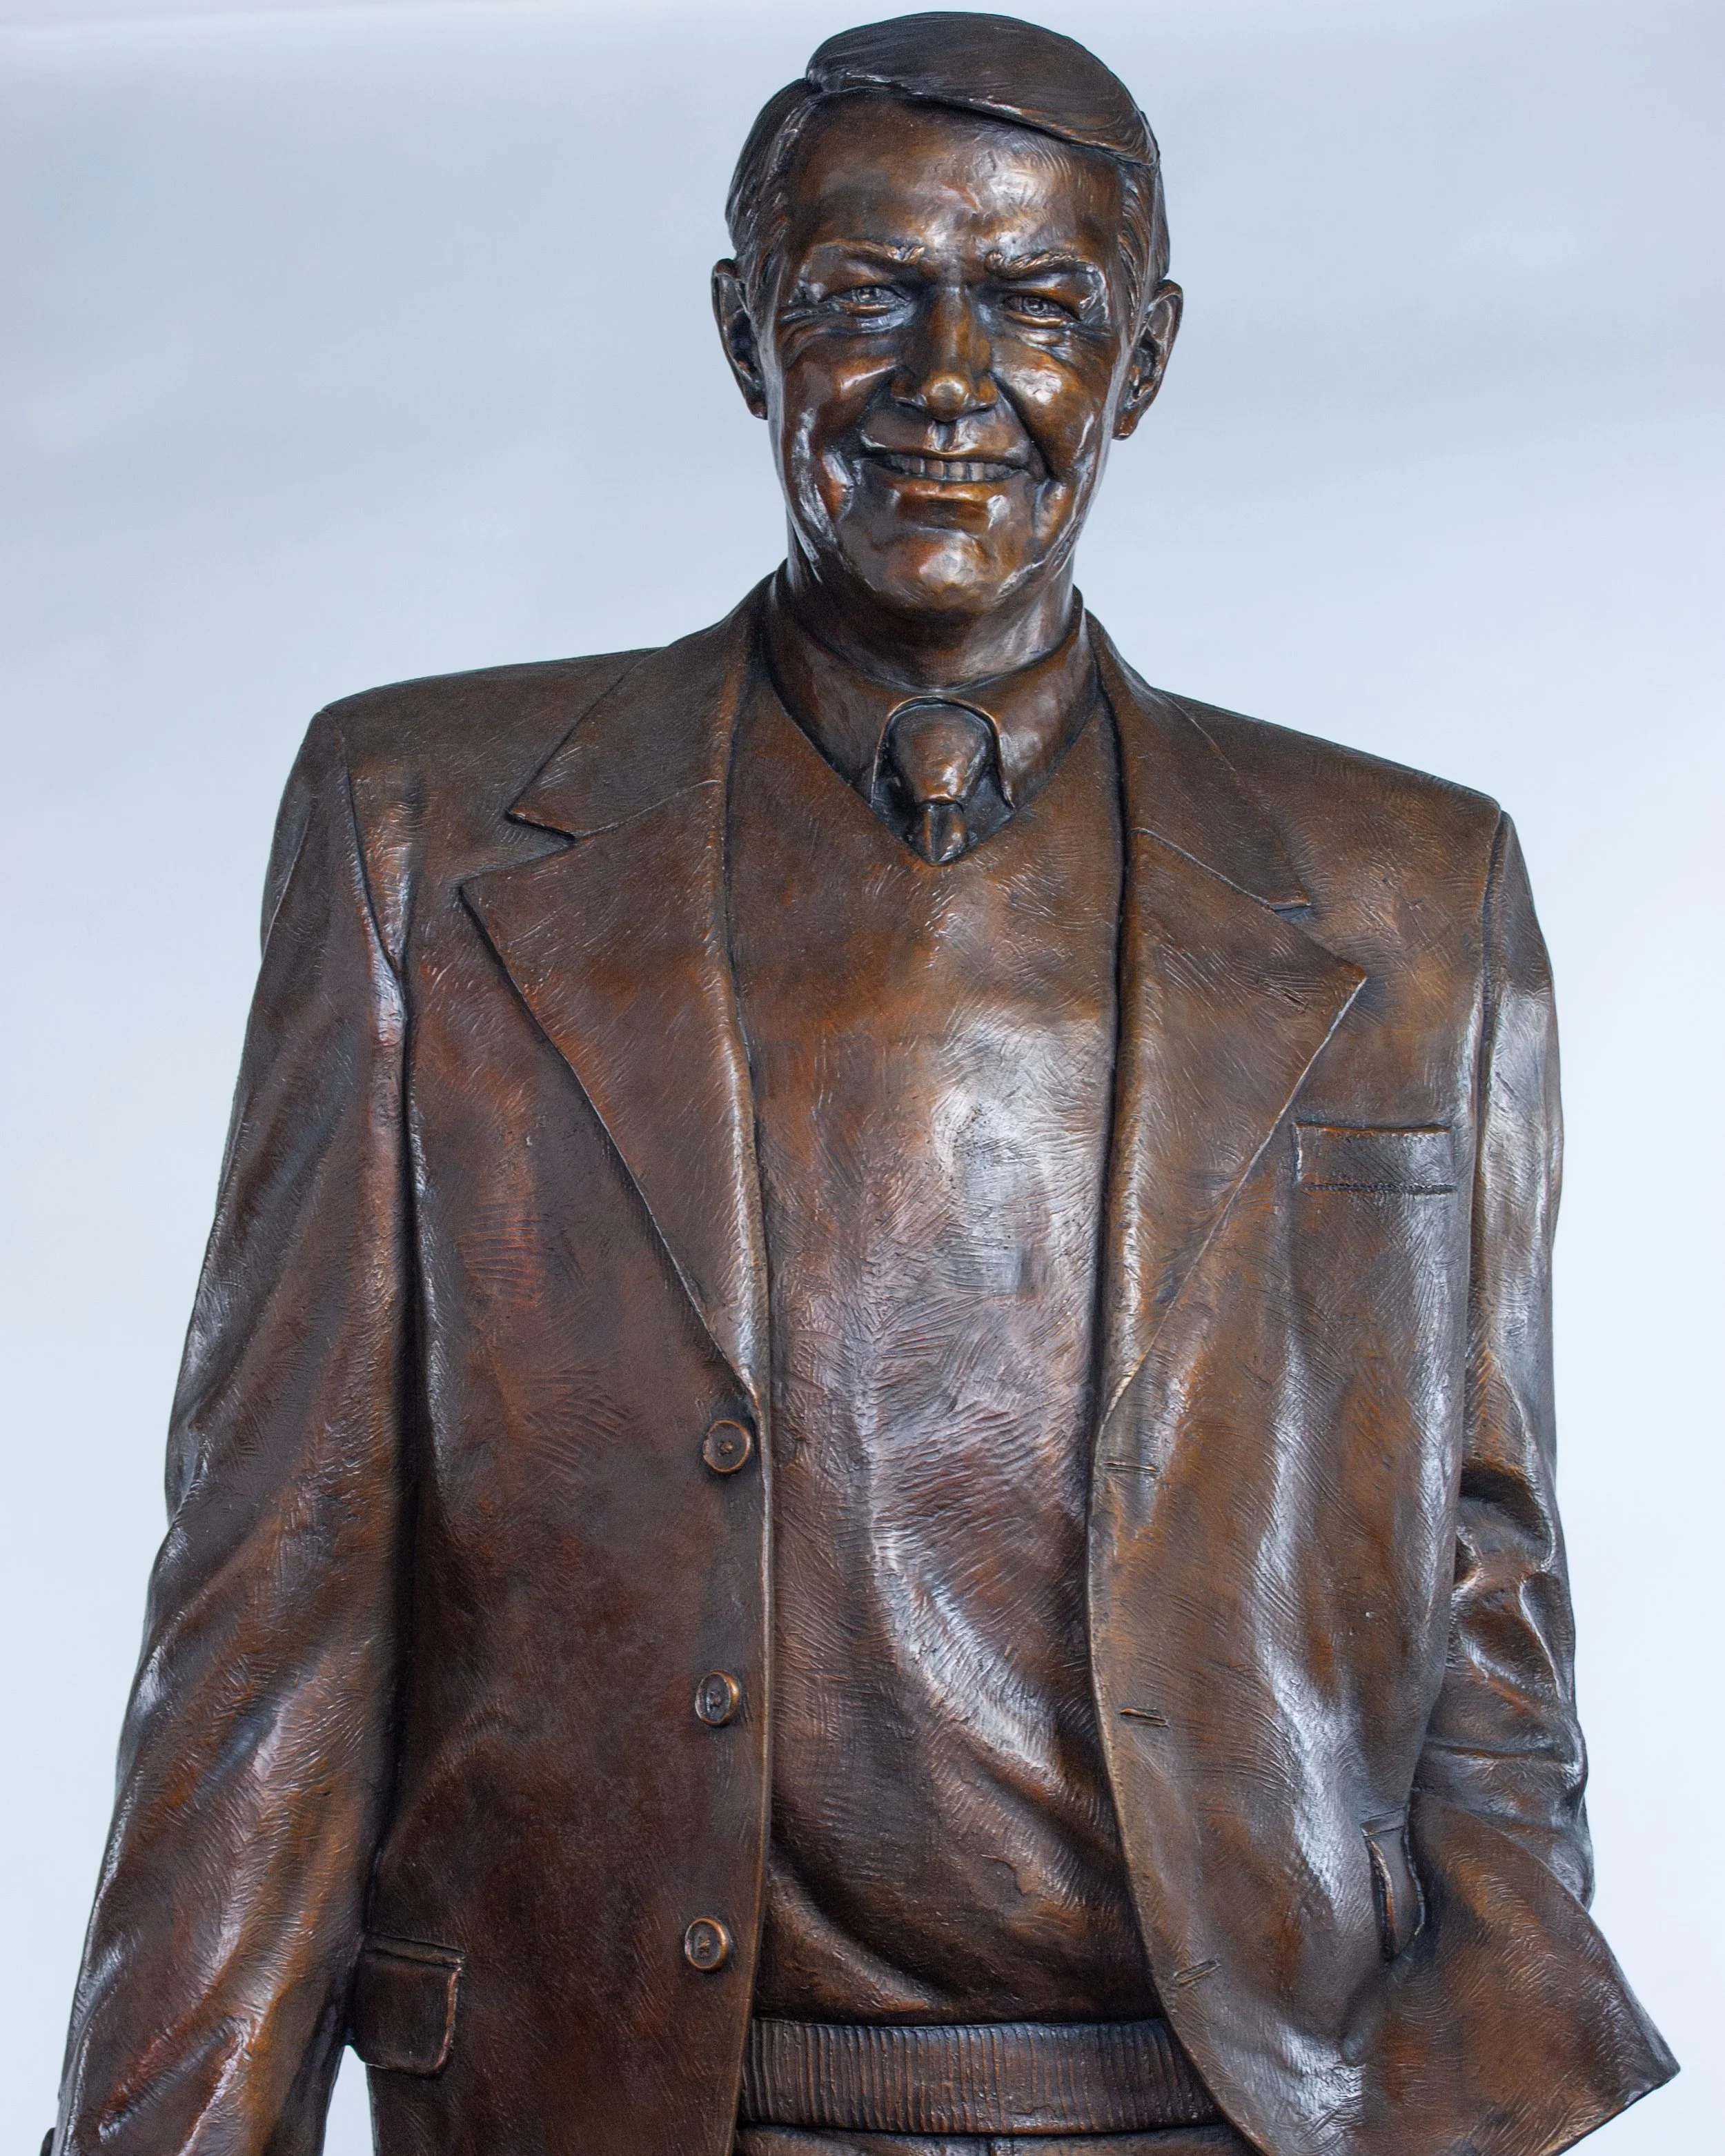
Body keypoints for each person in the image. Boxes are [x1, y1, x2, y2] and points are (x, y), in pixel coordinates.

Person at [48, 14, 1674, 2156]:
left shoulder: (1405, 886)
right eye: (860, 294)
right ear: (744, 332)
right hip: (616, 2099)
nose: (944, 377)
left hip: (1231, 2103)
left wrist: (1474, 2072)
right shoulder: (425, 830)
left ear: (1149, 353)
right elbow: (273, 1594)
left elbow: (1483, 1570)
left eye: (1035, 305)